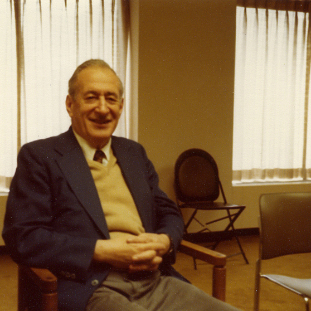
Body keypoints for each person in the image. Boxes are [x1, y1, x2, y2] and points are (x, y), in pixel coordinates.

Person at [3, 59, 241, 311]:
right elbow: (23, 237)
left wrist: (165, 241)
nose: (103, 109)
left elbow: (168, 210)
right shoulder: (41, 156)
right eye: (92, 97)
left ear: (121, 105)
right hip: (91, 287)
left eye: (111, 99)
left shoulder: (133, 153)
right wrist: (101, 250)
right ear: (70, 105)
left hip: (156, 281)